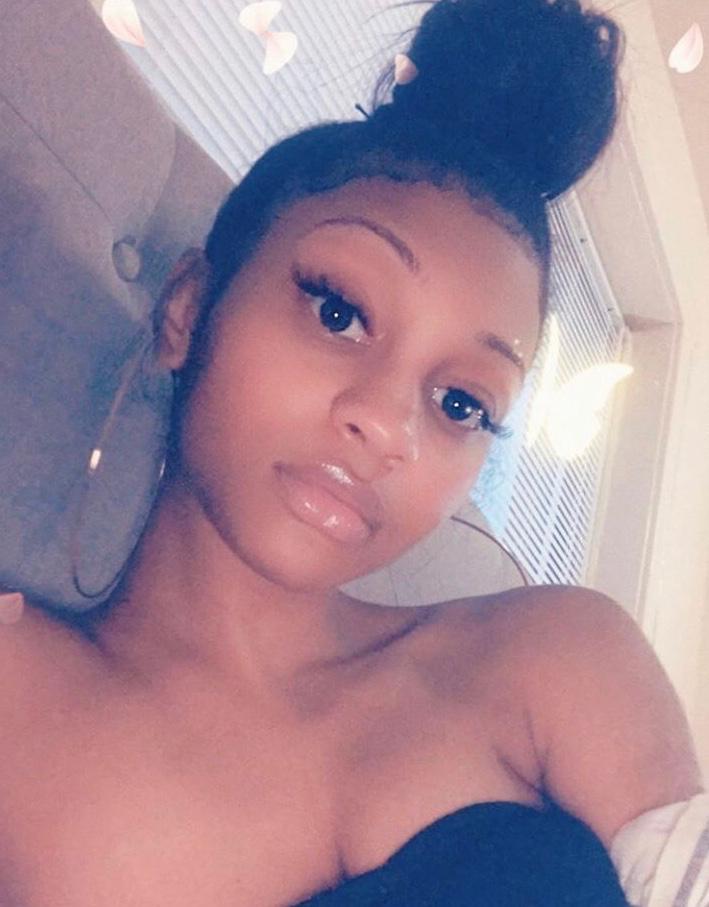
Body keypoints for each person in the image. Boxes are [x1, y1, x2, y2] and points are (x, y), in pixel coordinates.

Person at [0, 0, 705, 904]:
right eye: (338, 312)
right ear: (189, 306)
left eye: (459, 402)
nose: (386, 424)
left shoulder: (553, 658)